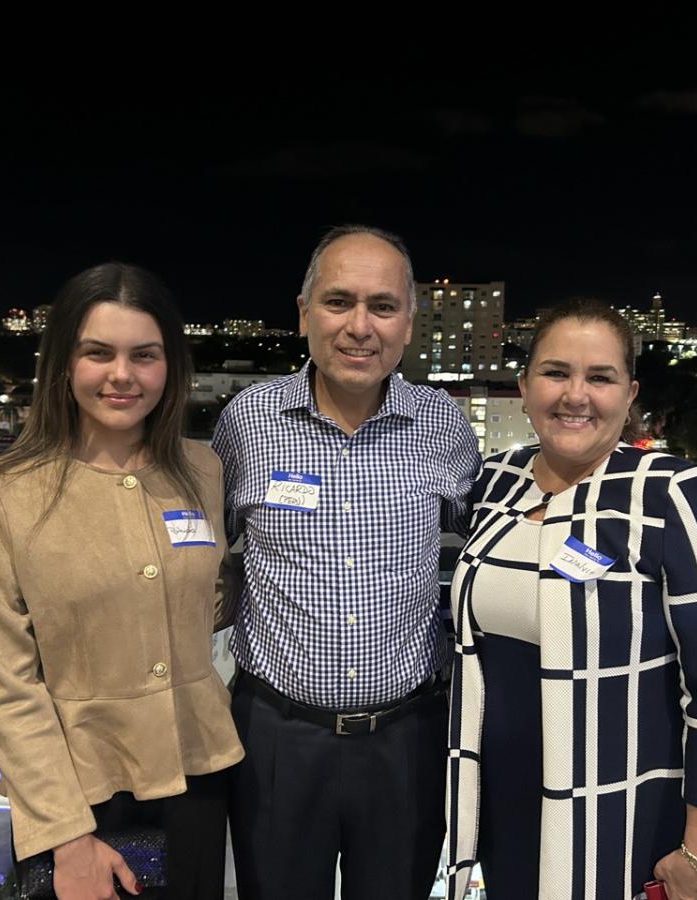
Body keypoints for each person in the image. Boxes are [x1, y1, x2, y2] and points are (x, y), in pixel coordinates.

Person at [445, 298, 697, 900]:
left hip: (619, 805)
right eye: (556, 372)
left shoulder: (668, 492)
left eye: (600, 377)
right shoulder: (495, 480)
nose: (575, 395)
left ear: (629, 393)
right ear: (524, 386)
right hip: (501, 795)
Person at [212, 224, 481, 900]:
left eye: (382, 307)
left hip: (408, 739)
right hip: (276, 737)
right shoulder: (247, 421)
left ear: (408, 324)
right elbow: (201, 552)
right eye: (338, 302)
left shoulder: (444, 426)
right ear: (304, 314)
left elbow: (489, 542)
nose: (360, 326)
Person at [0, 263, 243, 900]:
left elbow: (213, 595)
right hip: (76, 792)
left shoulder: (202, 470)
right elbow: (7, 683)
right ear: (64, 363)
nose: (122, 374)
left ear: (170, 366)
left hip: (197, 769)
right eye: (98, 353)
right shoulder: (5, 494)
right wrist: (66, 835)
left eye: (144, 355)